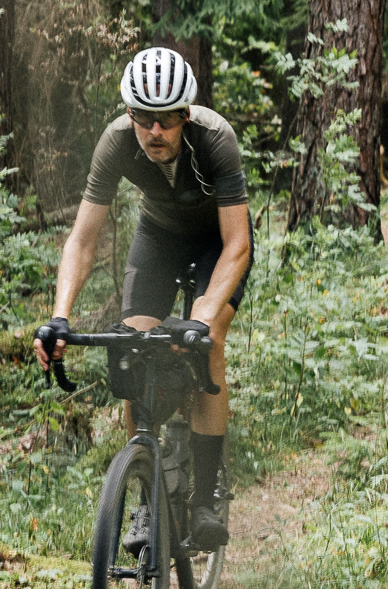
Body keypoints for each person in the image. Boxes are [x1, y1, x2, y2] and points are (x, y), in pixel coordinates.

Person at [33, 46, 251, 549]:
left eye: (168, 119)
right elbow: (83, 240)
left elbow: (237, 244)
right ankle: (149, 500)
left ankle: (206, 496)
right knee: (132, 348)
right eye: (145, 118)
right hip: (159, 237)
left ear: (186, 113)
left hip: (218, 242)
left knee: (208, 338)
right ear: (130, 114)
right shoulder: (115, 143)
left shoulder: (215, 138)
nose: (156, 131)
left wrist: (198, 319)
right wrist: (59, 315)